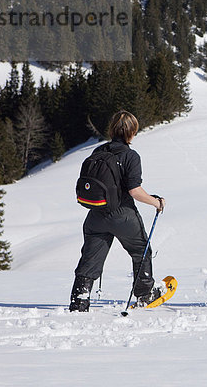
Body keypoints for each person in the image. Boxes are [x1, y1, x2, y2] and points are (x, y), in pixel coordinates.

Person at [69, 110, 166, 312]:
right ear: (132, 131)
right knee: (141, 250)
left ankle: (79, 301)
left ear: (112, 129)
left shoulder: (97, 152)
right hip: (122, 215)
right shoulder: (130, 156)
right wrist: (156, 202)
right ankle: (145, 294)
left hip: (96, 215)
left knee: (90, 259)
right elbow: (134, 191)